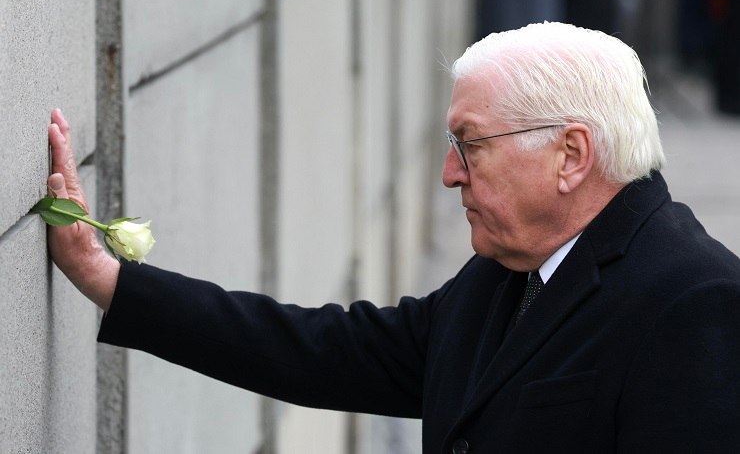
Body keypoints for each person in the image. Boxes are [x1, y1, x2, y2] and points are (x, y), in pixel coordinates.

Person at [47, 22, 740, 452]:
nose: (448, 174)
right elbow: (321, 350)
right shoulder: (507, 271)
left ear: (570, 154)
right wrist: (109, 278)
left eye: (470, 145)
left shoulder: (694, 299)